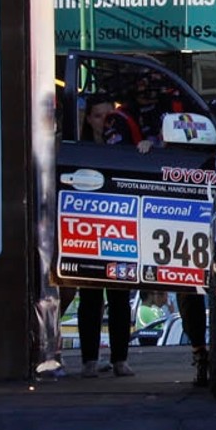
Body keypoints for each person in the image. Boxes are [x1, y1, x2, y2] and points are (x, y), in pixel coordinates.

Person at [78, 96, 140, 378]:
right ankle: (89, 360)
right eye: (99, 116)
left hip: (119, 229)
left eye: (109, 115)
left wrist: (145, 148)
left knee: (119, 296)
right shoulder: (78, 148)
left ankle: (120, 359)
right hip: (87, 230)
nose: (106, 122)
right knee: (90, 296)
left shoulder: (124, 145)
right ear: (88, 119)